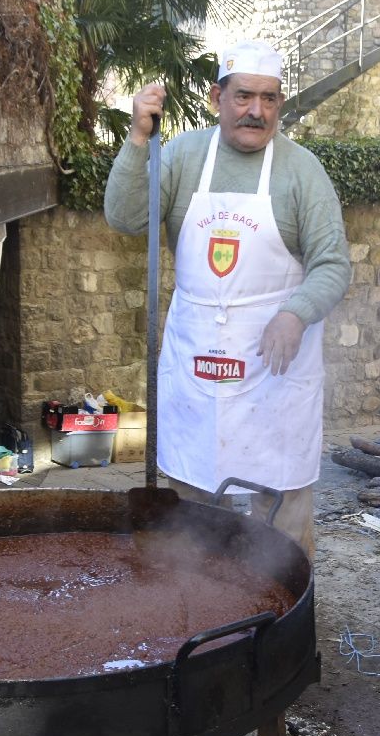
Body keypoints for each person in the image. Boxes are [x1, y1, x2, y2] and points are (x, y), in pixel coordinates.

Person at [103, 42, 349, 560]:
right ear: (218, 96)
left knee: (281, 511)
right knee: (191, 504)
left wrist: (295, 313)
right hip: (198, 361)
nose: (256, 111)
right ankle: (196, 603)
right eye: (244, 97)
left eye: (269, 99)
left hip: (273, 373)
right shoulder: (184, 156)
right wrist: (136, 140)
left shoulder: (302, 171)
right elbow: (126, 219)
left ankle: (285, 620)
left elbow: (333, 263)